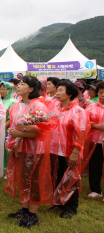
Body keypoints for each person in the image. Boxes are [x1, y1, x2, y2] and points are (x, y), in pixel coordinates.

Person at [5, 76, 56, 229]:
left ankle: (32, 214)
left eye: (23, 84)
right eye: (18, 83)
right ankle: (25, 209)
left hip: (34, 150)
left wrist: (21, 134)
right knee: (22, 179)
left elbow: (42, 132)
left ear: (31, 89)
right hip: (20, 148)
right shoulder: (17, 105)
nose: (18, 86)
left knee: (34, 181)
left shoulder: (38, 106)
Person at [49, 80, 90, 218]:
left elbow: (81, 133)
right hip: (55, 150)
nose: (58, 93)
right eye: (58, 90)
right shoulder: (56, 109)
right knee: (58, 176)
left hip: (70, 151)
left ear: (70, 93)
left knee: (71, 178)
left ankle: (71, 207)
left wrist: (75, 152)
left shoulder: (78, 111)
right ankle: (58, 203)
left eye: (61, 90)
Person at [82, 81, 104, 199]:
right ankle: (96, 190)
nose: (103, 95)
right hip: (95, 141)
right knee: (95, 164)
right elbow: (85, 121)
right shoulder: (91, 107)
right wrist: (97, 126)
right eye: (100, 92)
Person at [0, 81, 17, 177]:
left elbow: (11, 119)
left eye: (3, 88)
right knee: (0, 149)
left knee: (7, 150)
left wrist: (2, 127)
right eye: (0, 88)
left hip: (7, 129)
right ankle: (1, 168)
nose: (1, 91)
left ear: (9, 90)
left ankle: (8, 170)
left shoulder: (13, 102)